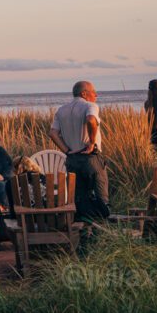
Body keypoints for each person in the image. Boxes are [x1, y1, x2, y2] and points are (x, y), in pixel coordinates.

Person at [50, 80, 110, 221]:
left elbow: (52, 133)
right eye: (93, 92)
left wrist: (66, 150)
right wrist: (92, 142)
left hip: (72, 159)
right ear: (84, 93)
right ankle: (104, 229)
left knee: (80, 198)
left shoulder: (61, 110)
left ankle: (84, 229)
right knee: (102, 195)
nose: (96, 95)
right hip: (90, 158)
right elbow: (90, 120)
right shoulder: (90, 106)